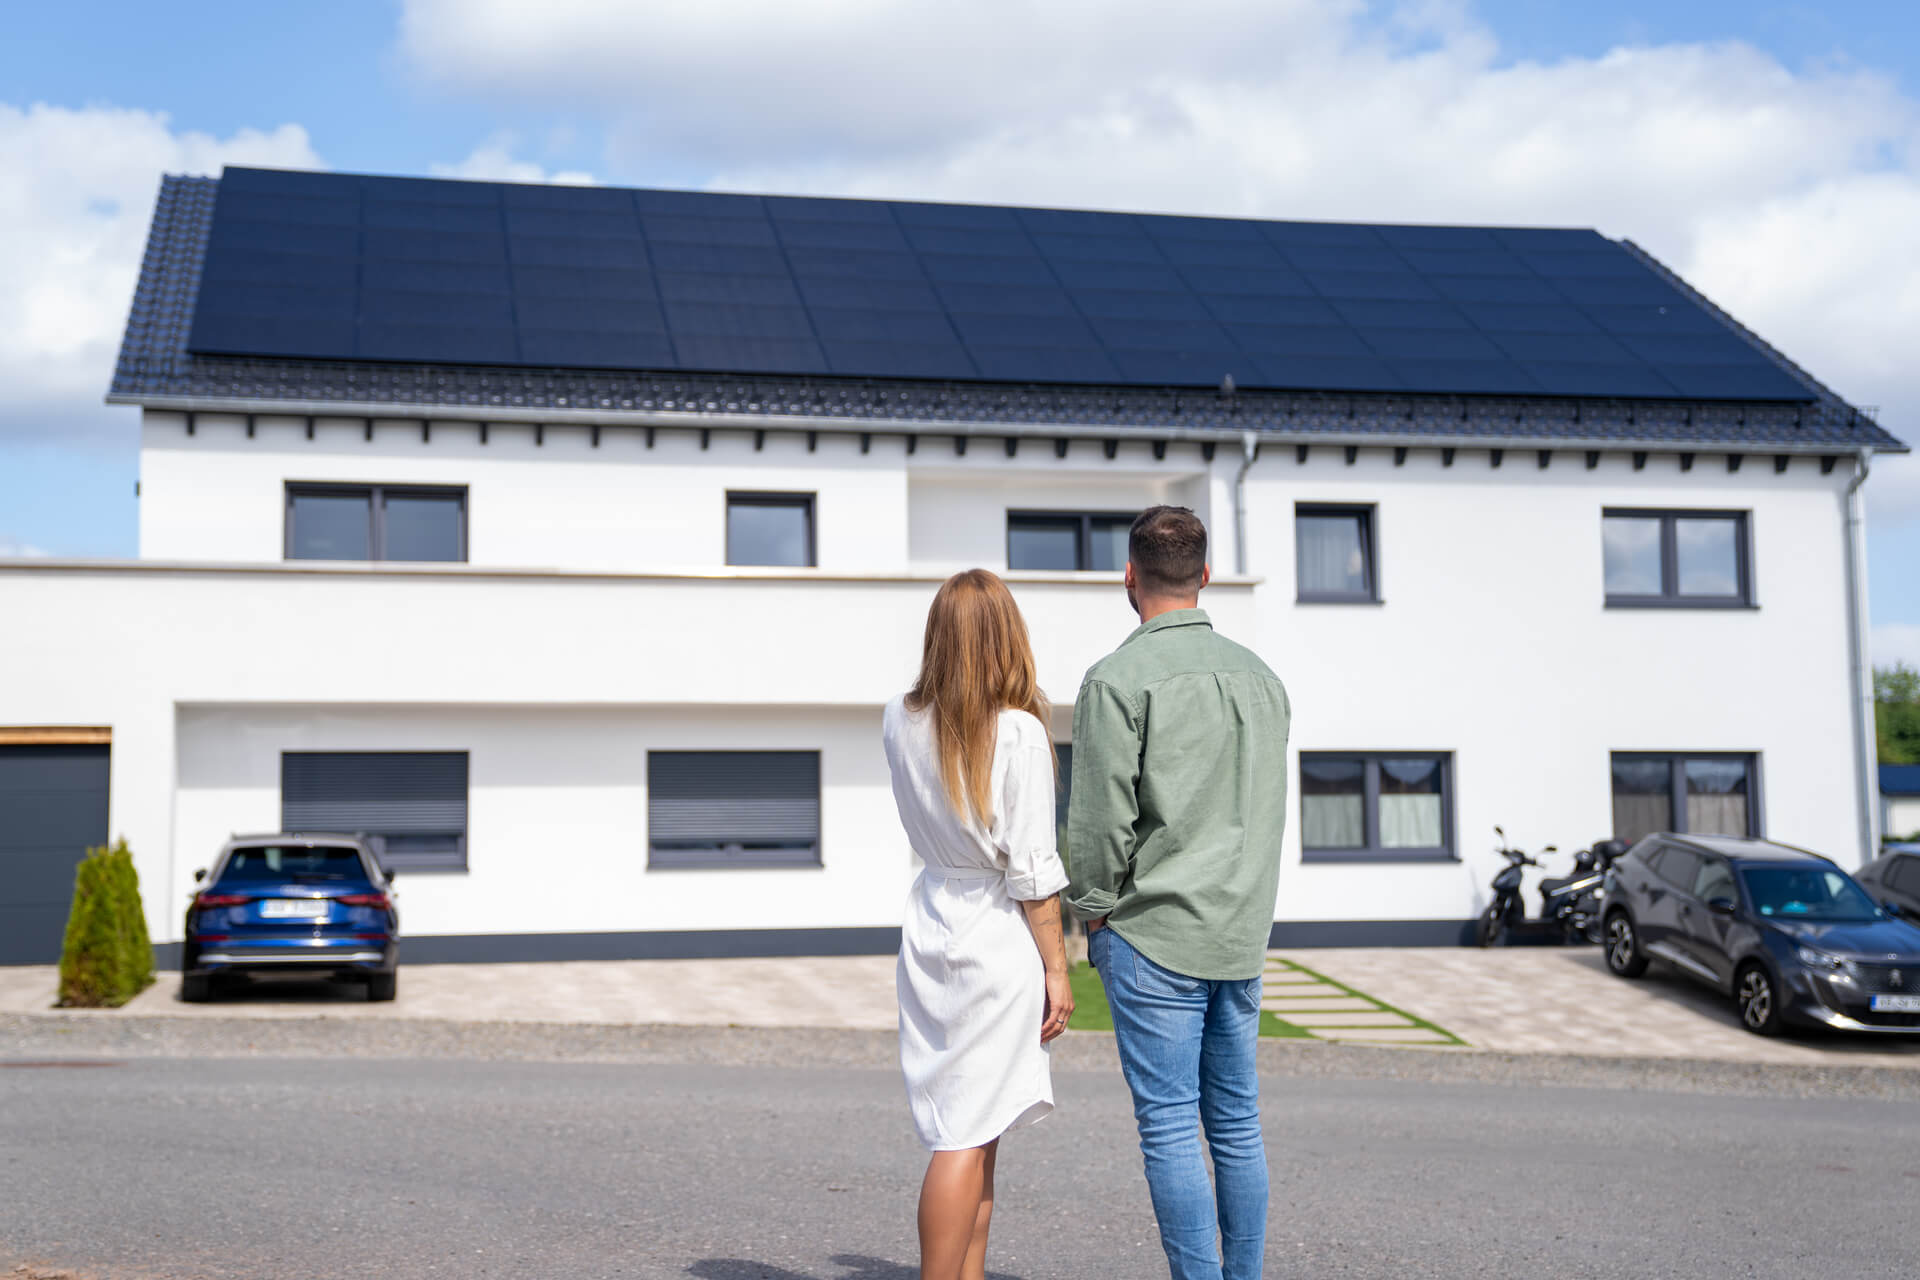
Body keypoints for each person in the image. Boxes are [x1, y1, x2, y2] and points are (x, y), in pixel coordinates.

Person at [1067, 505, 1292, 1280]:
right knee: (1236, 1122)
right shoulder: (1263, 680)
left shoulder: (1116, 680)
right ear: (1204, 576)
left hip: (1153, 931)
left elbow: (1098, 822)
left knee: (1167, 1126)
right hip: (1239, 934)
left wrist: (1092, 914)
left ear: (1128, 577)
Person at [883, 568, 1075, 1280]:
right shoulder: (1018, 731)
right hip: (994, 935)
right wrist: (1058, 968)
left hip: (932, 921)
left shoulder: (898, 718)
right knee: (966, 1133)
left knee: (978, 1121)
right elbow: (1032, 870)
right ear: (1007, 637)